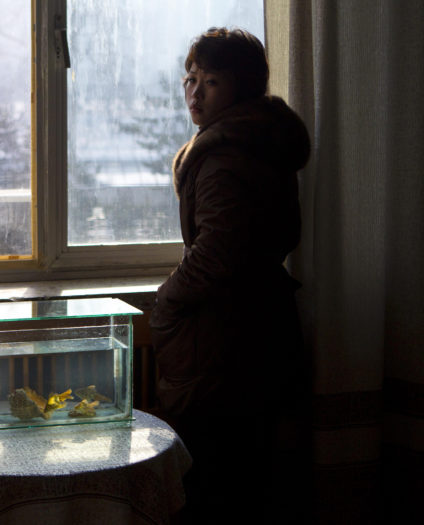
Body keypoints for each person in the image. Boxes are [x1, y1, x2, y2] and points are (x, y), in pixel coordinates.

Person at [149, 27, 310, 524]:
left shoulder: (224, 155)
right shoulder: (259, 140)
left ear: (241, 87)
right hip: (259, 333)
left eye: (212, 81)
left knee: (214, 485)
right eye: (190, 78)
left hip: (224, 347)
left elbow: (215, 252)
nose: (195, 93)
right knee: (248, 479)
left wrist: (167, 301)